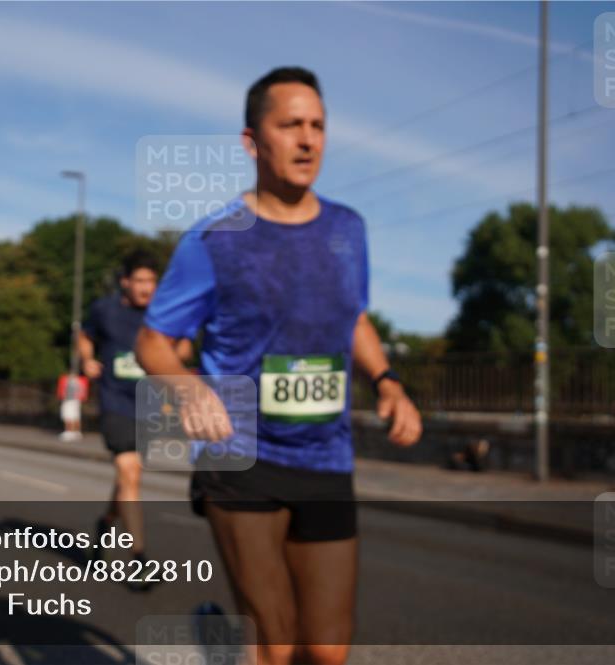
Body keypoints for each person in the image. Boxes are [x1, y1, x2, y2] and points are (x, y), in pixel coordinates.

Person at [136, 67, 422, 665]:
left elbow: (355, 320)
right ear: (252, 142)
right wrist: (189, 391)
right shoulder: (214, 238)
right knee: (276, 638)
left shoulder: (348, 229)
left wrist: (388, 382)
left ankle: (220, 646)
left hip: (325, 454)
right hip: (240, 454)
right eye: (290, 124)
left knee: (326, 651)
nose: (308, 139)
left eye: (318, 125)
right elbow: (154, 341)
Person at [78, 250, 192, 586]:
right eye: (140, 280)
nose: (146, 287)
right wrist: (87, 360)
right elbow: (85, 336)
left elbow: (185, 344)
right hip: (115, 401)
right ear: (125, 282)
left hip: (149, 403)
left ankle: (106, 524)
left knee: (128, 477)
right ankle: (138, 557)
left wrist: (171, 357)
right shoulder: (105, 309)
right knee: (130, 470)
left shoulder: (163, 311)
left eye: (151, 281)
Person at [58, 372, 88, 441]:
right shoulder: (79, 382)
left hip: (70, 401)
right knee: (75, 416)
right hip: (75, 401)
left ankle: (69, 432)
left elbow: (65, 392)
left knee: (69, 416)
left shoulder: (70, 382)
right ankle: (75, 432)